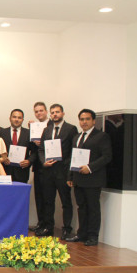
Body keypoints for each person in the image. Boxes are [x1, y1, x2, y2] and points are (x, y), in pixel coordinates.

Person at [66, 109, 112, 246]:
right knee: (81, 207)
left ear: (93, 121)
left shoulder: (102, 136)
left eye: (87, 119)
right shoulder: (77, 137)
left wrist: (90, 167)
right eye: (81, 119)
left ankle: (92, 236)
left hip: (93, 179)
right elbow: (73, 158)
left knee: (93, 208)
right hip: (79, 179)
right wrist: (70, 176)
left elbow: (107, 156)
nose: (84, 122)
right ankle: (81, 234)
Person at [36, 103, 78, 239]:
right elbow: (41, 149)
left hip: (63, 171)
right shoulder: (47, 130)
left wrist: (70, 172)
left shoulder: (71, 129)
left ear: (63, 113)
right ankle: (49, 227)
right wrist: (43, 162)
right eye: (53, 112)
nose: (55, 114)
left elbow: (74, 150)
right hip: (48, 171)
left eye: (57, 112)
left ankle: (66, 229)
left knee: (66, 202)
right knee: (48, 201)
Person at [30, 102, 53, 233]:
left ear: (46, 111)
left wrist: (42, 142)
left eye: (41, 111)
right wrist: (35, 142)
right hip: (38, 167)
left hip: (50, 167)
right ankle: (41, 222)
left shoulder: (52, 126)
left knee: (47, 198)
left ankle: (48, 225)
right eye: (36, 111)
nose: (39, 113)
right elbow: (32, 150)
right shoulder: (33, 126)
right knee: (38, 196)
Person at [0, 109, 38, 183]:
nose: (16, 119)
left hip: (22, 172)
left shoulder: (29, 133)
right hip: (4, 171)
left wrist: (29, 161)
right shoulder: (1, 132)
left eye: (19, 118)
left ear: (23, 119)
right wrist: (2, 158)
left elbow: (35, 152)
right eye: (14, 117)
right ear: (10, 118)